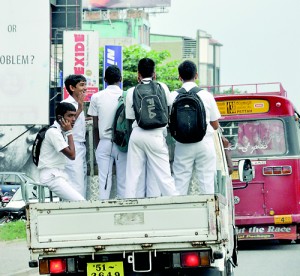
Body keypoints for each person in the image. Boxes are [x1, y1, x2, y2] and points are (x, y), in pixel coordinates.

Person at [124, 58, 178, 198]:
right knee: (164, 176)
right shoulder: (162, 87)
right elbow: (169, 106)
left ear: (138, 74)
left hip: (137, 134)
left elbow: (130, 117)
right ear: (154, 74)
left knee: (132, 176)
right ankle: (176, 205)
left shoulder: (131, 91)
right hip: (156, 135)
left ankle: (127, 206)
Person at [171, 60, 221, 195]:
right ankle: (209, 214)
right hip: (204, 142)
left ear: (179, 77)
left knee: (180, 183)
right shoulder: (206, 95)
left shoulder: (173, 96)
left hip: (182, 144)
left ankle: (177, 213)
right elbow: (215, 125)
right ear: (196, 75)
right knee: (206, 183)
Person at [87, 65, 127, 199]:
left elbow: (95, 125)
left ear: (104, 79)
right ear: (120, 79)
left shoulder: (96, 97)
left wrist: (98, 146)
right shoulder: (126, 95)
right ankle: (123, 207)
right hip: (122, 143)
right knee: (123, 179)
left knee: (104, 180)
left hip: (104, 142)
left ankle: (103, 206)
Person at [38, 102, 85, 201]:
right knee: (80, 202)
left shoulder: (59, 131)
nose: (73, 119)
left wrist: (80, 108)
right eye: (70, 116)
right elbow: (72, 155)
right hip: (51, 177)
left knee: (77, 201)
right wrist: (69, 132)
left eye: (74, 115)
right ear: (60, 118)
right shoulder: (53, 132)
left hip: (58, 174)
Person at [61, 75, 87, 199]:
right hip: (72, 145)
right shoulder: (65, 104)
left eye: (85, 85)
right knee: (76, 185)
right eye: (81, 85)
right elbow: (66, 125)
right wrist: (80, 109)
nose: (85, 88)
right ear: (72, 87)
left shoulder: (78, 103)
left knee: (82, 183)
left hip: (81, 145)